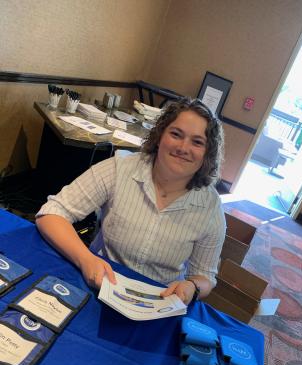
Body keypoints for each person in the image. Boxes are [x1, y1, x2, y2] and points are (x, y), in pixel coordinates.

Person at [36, 97, 226, 305]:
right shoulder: (120, 168)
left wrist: (192, 286)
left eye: (197, 142)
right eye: (176, 134)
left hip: (159, 302)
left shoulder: (210, 207)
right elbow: (52, 213)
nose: (183, 147)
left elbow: (205, 276)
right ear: (160, 135)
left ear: (208, 153)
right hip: (99, 285)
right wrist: (86, 259)